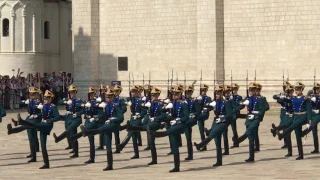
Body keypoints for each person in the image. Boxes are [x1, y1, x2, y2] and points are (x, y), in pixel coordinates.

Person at [80, 88, 124, 171]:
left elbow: (121, 118)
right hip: (107, 126)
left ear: (113, 97)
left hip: (114, 125)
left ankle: (87, 132)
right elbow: (100, 114)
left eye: (110, 97)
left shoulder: (116, 106)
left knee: (101, 129)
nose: (108, 98)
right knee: (108, 146)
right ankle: (109, 165)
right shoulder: (105, 106)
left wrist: (112, 120)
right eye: (107, 97)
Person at [148, 86, 189, 172]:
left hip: (181, 125)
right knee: (174, 147)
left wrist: (178, 120)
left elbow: (186, 117)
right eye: (174, 94)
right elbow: (165, 114)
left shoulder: (183, 104)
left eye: (176, 94)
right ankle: (176, 166)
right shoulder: (172, 103)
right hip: (173, 126)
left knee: (169, 132)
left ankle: (160, 134)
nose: (174, 96)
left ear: (180, 94)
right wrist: (165, 108)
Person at [16, 90, 60, 169]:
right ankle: (46, 163)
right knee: (43, 146)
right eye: (44, 98)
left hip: (47, 125)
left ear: (50, 99)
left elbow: (57, 117)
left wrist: (51, 120)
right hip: (43, 124)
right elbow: (41, 113)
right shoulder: (43, 106)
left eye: (46, 99)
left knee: (35, 125)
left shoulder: (53, 107)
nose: (45, 100)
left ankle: (22, 122)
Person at [276, 82, 312, 160]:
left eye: (298, 89)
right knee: (298, 136)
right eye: (296, 89)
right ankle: (301, 155)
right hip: (296, 116)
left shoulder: (305, 98)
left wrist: (309, 121)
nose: (296, 91)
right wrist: (281, 97)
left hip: (303, 117)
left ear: (302, 89)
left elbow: (309, 110)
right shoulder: (293, 98)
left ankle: (282, 135)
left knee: (292, 126)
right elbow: (286, 100)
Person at [53, 85, 84, 158]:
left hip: (75, 118)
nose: (71, 94)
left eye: (73, 92)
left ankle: (75, 152)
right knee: (71, 134)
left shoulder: (78, 100)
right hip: (68, 118)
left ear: (75, 93)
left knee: (71, 131)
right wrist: (66, 101)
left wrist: (78, 113)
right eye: (70, 93)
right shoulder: (67, 100)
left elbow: (83, 110)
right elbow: (59, 101)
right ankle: (73, 148)